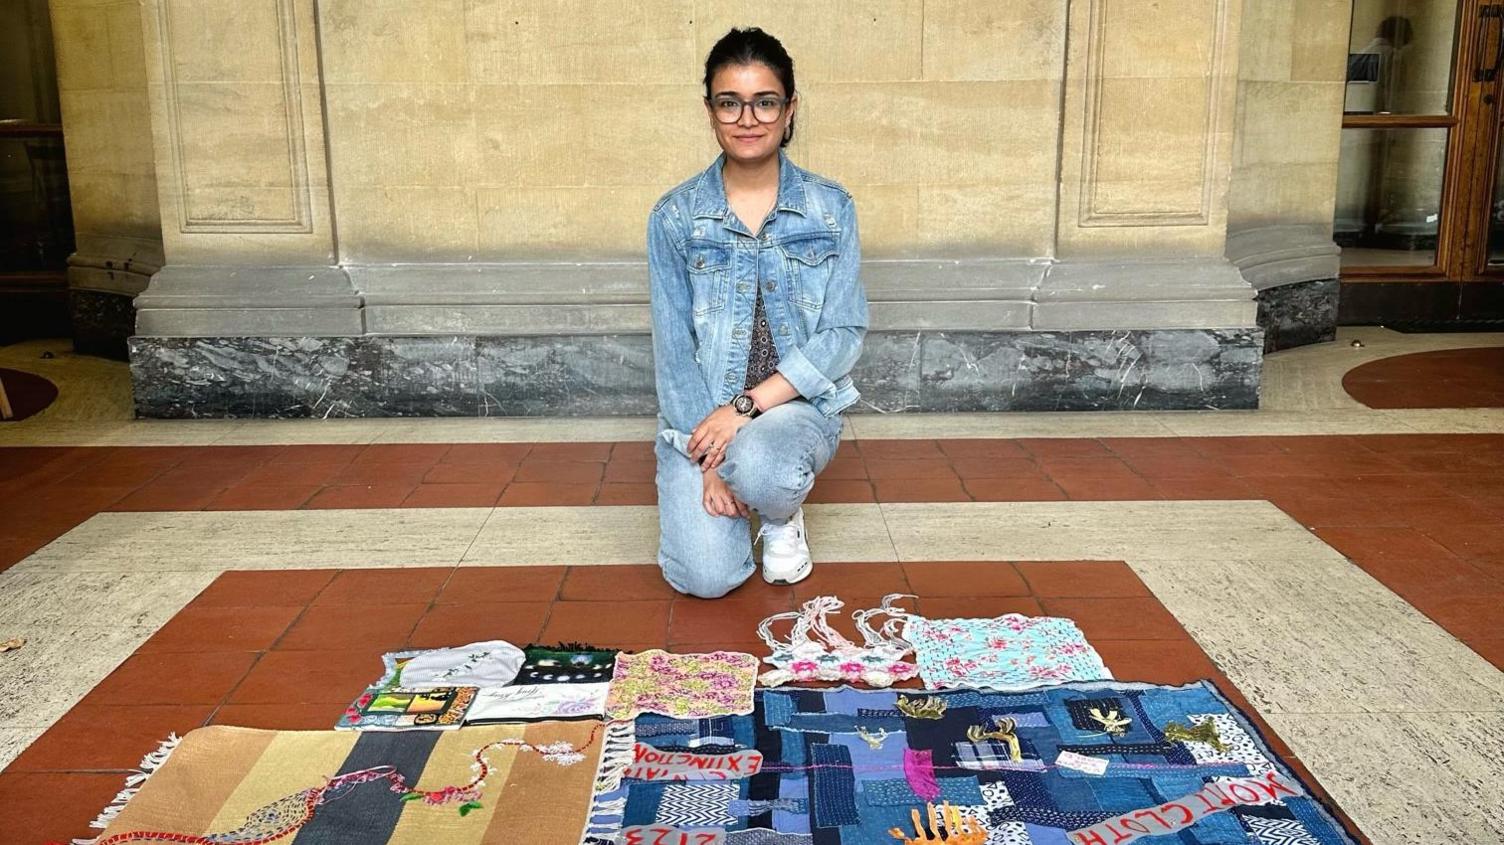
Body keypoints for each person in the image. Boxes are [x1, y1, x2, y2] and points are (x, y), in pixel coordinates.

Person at [647, 27, 868, 599]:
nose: (748, 118)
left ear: (789, 109)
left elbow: (844, 333)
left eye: (765, 102)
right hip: (702, 421)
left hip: (793, 410)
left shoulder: (830, 207)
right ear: (710, 111)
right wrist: (710, 457)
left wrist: (747, 407)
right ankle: (749, 481)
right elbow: (673, 350)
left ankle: (778, 509)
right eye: (730, 102)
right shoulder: (675, 217)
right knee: (705, 578)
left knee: (766, 466)